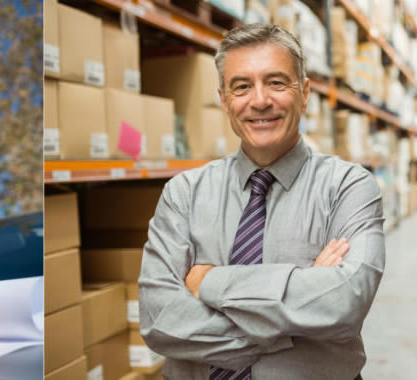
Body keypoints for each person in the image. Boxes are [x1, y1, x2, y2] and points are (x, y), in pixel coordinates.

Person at [136, 24, 386, 379]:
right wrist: (296, 314)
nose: (259, 100)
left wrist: (208, 283)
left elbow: (344, 302)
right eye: (241, 86)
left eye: (276, 82)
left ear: (305, 93)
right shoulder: (184, 193)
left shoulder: (348, 186)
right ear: (224, 100)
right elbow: (159, 319)